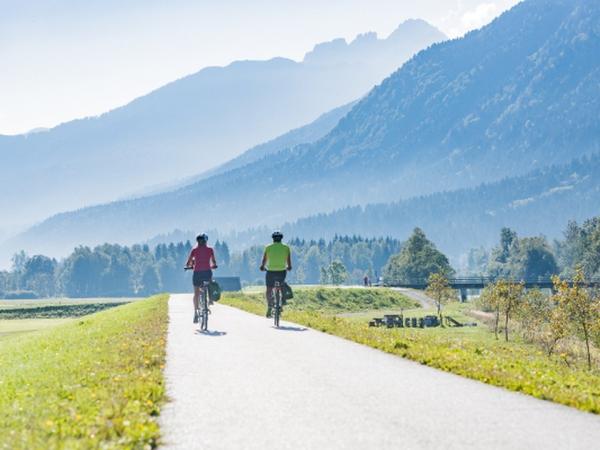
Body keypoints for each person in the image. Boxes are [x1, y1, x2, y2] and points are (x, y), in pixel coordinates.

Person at [186, 233, 218, 323]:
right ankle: (210, 299)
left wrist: (190, 266)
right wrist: (214, 265)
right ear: (206, 241)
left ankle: (196, 312)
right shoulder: (210, 250)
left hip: (197, 273)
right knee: (210, 283)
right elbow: (214, 262)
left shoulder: (194, 250)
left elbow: (188, 263)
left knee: (196, 293)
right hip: (207, 272)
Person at [260, 231, 292, 318]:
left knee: (269, 289)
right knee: (281, 285)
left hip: (270, 272)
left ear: (273, 239)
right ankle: (283, 299)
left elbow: (264, 260)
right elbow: (288, 260)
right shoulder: (286, 248)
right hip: (282, 271)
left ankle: (270, 307)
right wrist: (289, 267)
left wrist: (262, 267)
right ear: (281, 239)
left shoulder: (268, 247)